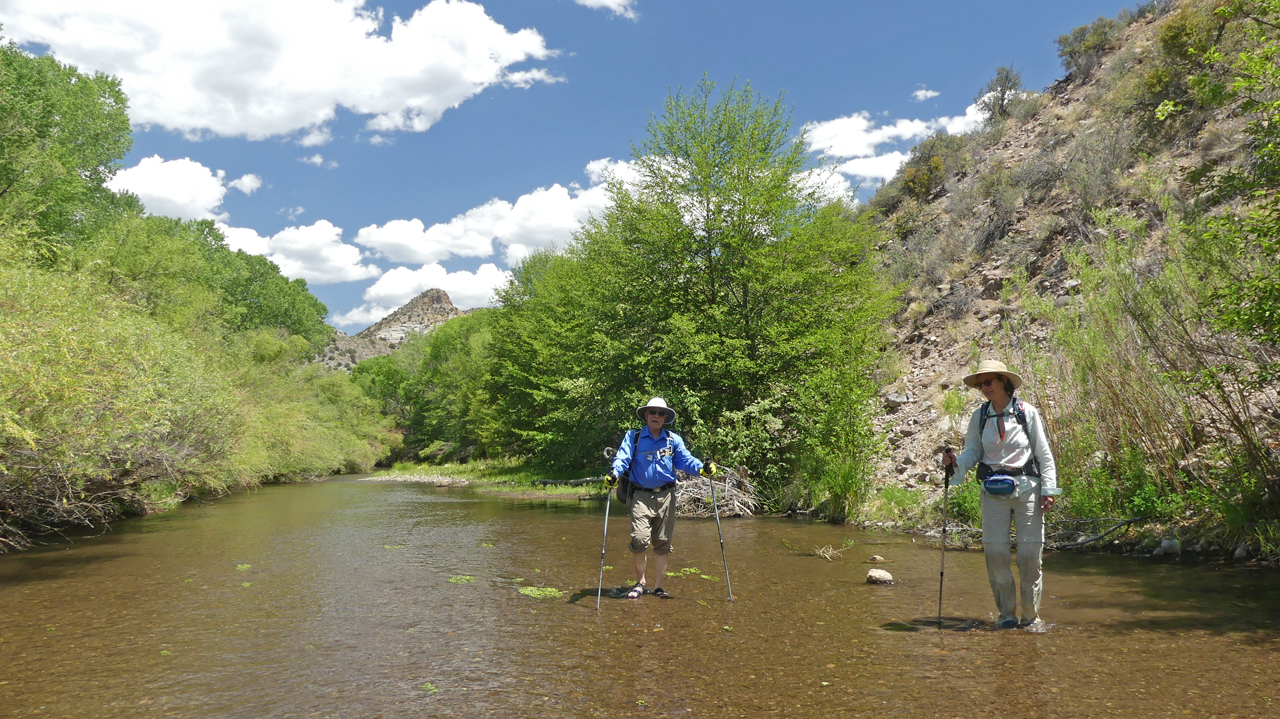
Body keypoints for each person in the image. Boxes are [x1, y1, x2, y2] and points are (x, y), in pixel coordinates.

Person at [943, 360, 1059, 628]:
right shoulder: (979, 416)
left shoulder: (1026, 412)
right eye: (980, 384)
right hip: (992, 492)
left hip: (1029, 490)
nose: (984, 388)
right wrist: (955, 462)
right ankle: (1007, 616)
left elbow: (1044, 455)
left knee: (1030, 556)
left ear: (1003, 381)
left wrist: (1049, 490)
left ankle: (1030, 618)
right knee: (995, 554)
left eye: (988, 382)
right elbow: (972, 452)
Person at [607, 397, 712, 599]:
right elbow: (623, 457)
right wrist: (614, 473)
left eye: (660, 413)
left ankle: (658, 587)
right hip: (640, 495)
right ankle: (640, 583)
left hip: (666, 495)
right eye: (652, 412)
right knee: (639, 539)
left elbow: (686, 461)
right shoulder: (633, 437)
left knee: (662, 541)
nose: (656, 416)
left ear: (665, 418)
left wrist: (702, 468)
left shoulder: (673, 440)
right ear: (646, 415)